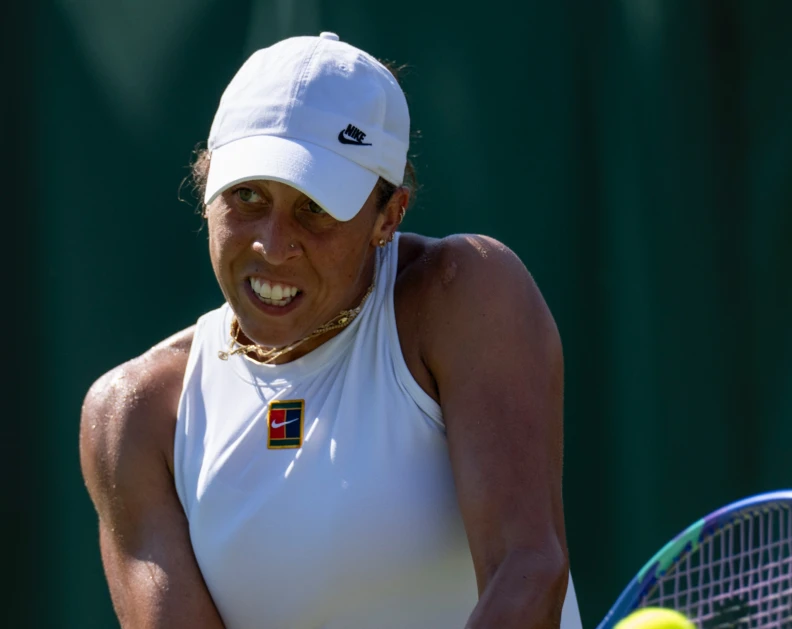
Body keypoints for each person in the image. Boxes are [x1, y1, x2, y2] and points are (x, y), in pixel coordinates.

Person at [80, 32, 582, 629]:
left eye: (315, 208)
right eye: (246, 196)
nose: (273, 244)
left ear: (387, 216)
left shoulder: (465, 294)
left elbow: (526, 573)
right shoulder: (134, 417)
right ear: (206, 183)